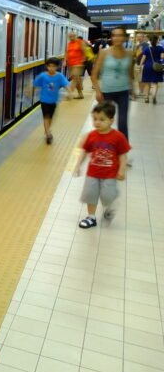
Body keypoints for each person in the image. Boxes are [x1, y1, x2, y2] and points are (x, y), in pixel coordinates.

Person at [74, 101, 130, 229]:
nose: (97, 122)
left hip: (110, 175)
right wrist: (78, 165)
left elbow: (122, 155)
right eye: (95, 119)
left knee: (107, 196)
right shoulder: (92, 136)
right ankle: (91, 217)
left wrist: (122, 170)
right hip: (92, 173)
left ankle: (110, 207)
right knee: (90, 195)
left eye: (102, 120)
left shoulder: (118, 137)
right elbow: (85, 151)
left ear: (111, 120)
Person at [91, 27, 134, 142]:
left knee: (122, 123)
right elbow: (94, 74)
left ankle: (123, 152)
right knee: (104, 122)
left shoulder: (130, 54)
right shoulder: (104, 52)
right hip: (107, 93)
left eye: (120, 35)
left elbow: (130, 72)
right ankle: (104, 148)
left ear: (125, 38)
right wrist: (98, 91)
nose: (116, 38)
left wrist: (132, 88)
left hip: (123, 91)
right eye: (114, 35)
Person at [33, 57, 71, 144]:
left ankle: (47, 129)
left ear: (57, 67)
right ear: (47, 66)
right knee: (46, 116)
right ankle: (48, 134)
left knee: (50, 118)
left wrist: (69, 92)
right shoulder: (42, 76)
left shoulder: (60, 76)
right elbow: (35, 84)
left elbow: (66, 85)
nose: (51, 68)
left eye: (53, 66)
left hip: (53, 101)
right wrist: (30, 91)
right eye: (49, 66)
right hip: (44, 100)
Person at [139, 34, 164, 104]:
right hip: (157, 66)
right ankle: (153, 96)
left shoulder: (147, 48)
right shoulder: (160, 48)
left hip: (147, 66)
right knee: (155, 83)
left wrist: (140, 66)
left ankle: (146, 98)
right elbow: (162, 57)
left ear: (150, 40)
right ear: (157, 40)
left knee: (147, 83)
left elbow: (143, 58)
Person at [65, 31, 87, 98]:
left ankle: (70, 93)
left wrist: (84, 58)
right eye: (70, 36)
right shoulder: (69, 44)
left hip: (78, 63)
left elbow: (84, 51)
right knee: (76, 79)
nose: (71, 38)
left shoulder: (80, 42)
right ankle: (80, 94)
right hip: (70, 64)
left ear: (75, 36)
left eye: (73, 36)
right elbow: (66, 52)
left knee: (74, 78)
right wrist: (64, 61)